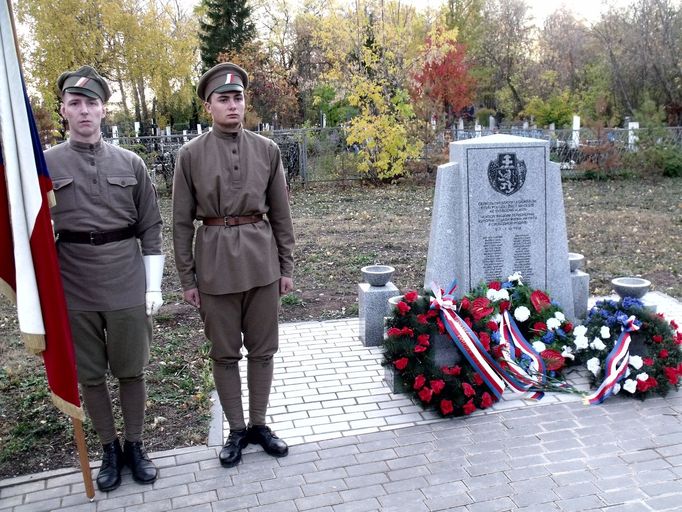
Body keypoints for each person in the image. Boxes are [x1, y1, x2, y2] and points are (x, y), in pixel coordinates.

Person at [45, 65, 164, 492]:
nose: (84, 111)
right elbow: (32, 232)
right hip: (73, 285)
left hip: (126, 281)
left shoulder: (130, 163)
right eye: (75, 103)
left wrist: (153, 286)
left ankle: (135, 445)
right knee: (92, 376)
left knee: (131, 371)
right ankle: (109, 449)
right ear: (63, 110)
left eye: (91, 103)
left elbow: (151, 226)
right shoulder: (45, 166)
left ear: (103, 110)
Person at [172, 62, 295, 468]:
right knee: (224, 354)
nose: (232, 105)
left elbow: (281, 214)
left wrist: (286, 266)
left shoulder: (268, 150)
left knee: (263, 350)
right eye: (223, 99)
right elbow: (179, 221)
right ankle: (237, 429)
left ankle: (259, 424)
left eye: (238, 97)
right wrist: (187, 278)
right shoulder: (190, 156)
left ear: (245, 103)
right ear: (209, 105)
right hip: (215, 267)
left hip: (262, 264)